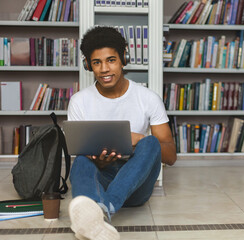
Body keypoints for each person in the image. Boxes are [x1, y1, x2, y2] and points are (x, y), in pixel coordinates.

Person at [67, 26, 177, 240]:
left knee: (151, 142)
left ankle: (102, 210)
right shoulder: (79, 101)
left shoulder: (148, 98)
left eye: (111, 60)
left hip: (138, 184)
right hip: (102, 178)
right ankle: (96, 218)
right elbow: (81, 155)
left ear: (123, 59)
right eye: (97, 62)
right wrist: (98, 161)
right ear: (88, 65)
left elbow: (170, 156)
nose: (104, 69)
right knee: (81, 159)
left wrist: (138, 139)